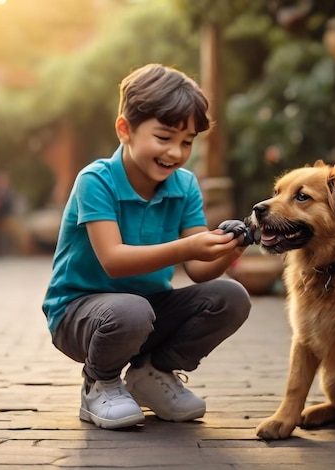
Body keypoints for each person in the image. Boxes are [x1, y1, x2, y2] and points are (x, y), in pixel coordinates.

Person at [42, 64, 252, 430]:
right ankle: (100, 382)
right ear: (125, 129)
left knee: (230, 297)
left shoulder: (184, 185)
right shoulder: (97, 180)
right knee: (131, 310)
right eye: (164, 137)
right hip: (80, 315)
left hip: (146, 313)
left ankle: (151, 375)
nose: (176, 152)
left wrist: (231, 248)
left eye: (187, 142)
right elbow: (113, 261)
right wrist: (188, 246)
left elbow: (199, 270)